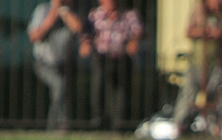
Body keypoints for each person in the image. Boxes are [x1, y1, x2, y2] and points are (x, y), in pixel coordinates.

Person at [172, 0, 222, 135]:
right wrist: (205, 31)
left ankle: (214, 127)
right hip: (197, 62)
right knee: (188, 94)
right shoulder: (199, 10)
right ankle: (180, 125)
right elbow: (188, 32)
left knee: (215, 94)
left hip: (216, 64)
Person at [80, 0, 144, 131]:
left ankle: (120, 123)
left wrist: (134, 41)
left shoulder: (129, 15)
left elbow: (139, 31)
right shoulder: (95, 15)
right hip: (101, 57)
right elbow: (86, 33)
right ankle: (99, 121)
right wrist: (85, 44)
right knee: (99, 88)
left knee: (122, 92)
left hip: (122, 57)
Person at [28, 0, 84, 131]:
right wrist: (53, 14)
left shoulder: (72, 11)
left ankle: (58, 126)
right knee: (59, 86)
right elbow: (35, 36)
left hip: (65, 63)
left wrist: (64, 12)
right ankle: (57, 126)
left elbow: (78, 29)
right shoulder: (43, 10)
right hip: (44, 62)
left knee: (62, 91)